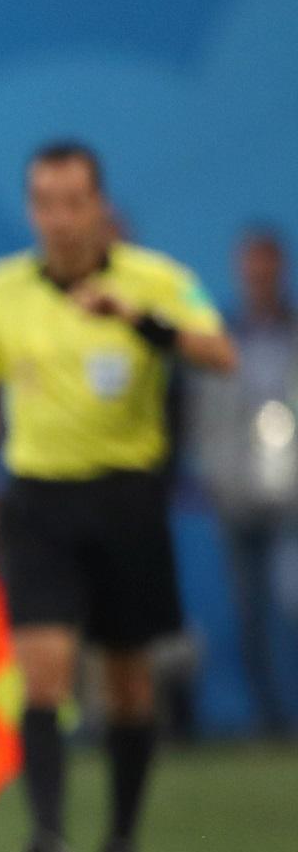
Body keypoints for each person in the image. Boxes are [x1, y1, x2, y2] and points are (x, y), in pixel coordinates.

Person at [0, 142, 235, 852]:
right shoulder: (1, 287)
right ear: (30, 209)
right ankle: (47, 839)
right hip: (40, 498)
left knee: (127, 684)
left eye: (74, 201)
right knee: (41, 669)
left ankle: (120, 845)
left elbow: (221, 352)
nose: (60, 217)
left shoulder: (156, 279)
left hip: (126, 498)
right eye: (45, 201)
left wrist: (143, 322)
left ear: (99, 205)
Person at [189, 226, 298, 735]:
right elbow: (203, 416)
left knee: (290, 603)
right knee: (249, 615)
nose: (258, 277)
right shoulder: (220, 337)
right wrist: (216, 478)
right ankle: (269, 718)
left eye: (267, 267)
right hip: (236, 496)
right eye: (250, 268)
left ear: (280, 270)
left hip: (292, 499)